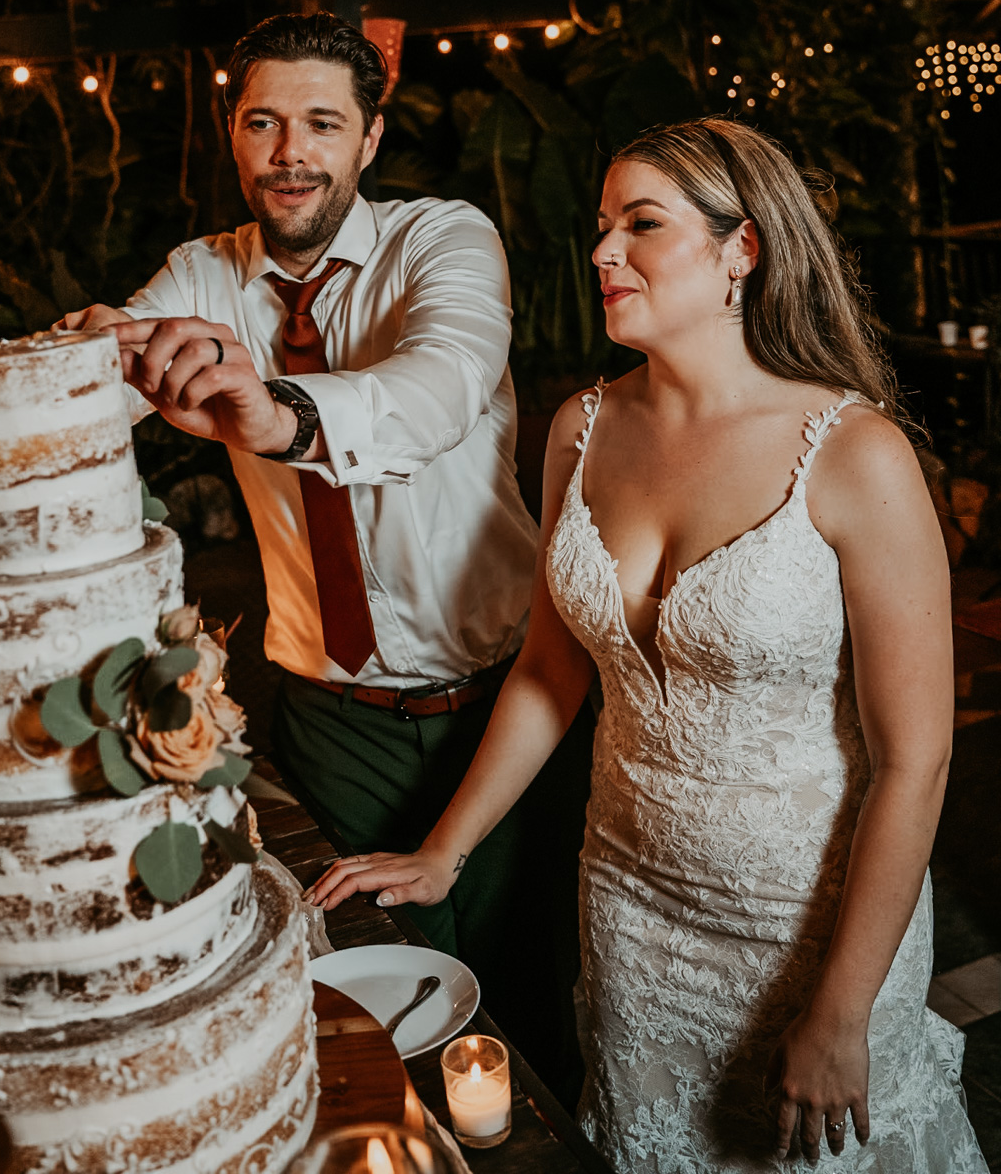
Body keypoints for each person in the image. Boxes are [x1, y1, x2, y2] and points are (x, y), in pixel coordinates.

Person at [310, 117, 988, 1173]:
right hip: (631, 903)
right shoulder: (580, 427)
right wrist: (445, 849)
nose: (601, 253)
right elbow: (548, 667)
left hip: (812, 926)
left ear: (742, 250)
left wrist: (844, 1008)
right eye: (600, 226)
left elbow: (916, 760)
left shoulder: (856, 454)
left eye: (642, 224)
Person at [61, 11, 592, 1103]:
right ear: (234, 136)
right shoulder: (203, 274)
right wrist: (80, 356)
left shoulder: (443, 240)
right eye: (263, 122)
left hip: (503, 704)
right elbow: (89, 392)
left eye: (319, 123)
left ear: (369, 139)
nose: (289, 152)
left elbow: (438, 388)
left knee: (534, 1012)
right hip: (327, 714)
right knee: (381, 1006)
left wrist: (282, 417)